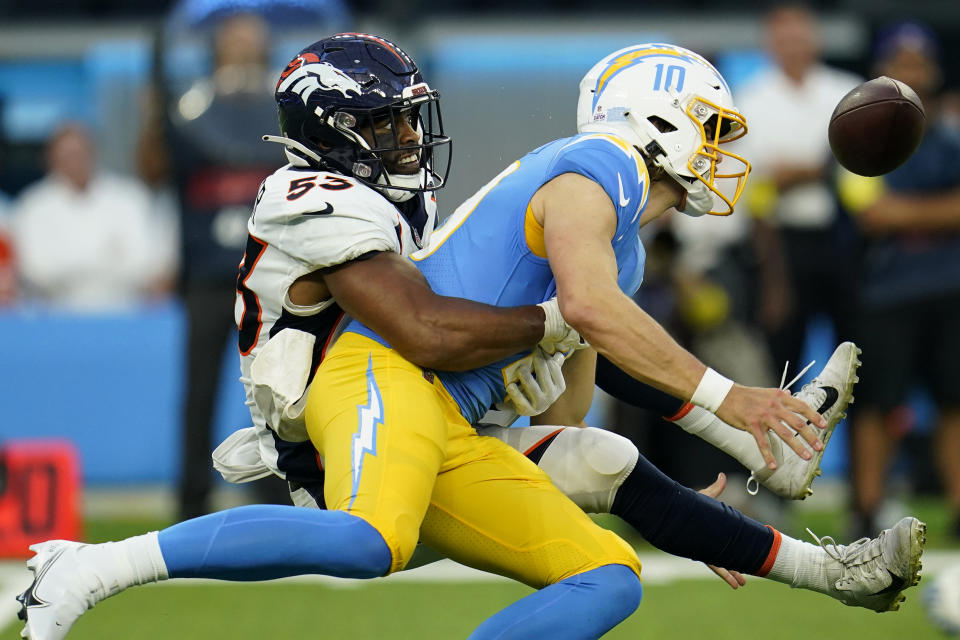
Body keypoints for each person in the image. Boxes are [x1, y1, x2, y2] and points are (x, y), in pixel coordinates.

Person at [18, 38, 924, 640]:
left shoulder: (626, 250)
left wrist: (709, 470)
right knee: (370, 540)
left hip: (454, 418)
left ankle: (819, 566)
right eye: (714, 128)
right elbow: (561, 317)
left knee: (609, 573)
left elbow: (576, 382)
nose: (725, 151)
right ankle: (91, 566)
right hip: (382, 372)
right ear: (658, 116)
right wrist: (735, 405)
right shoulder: (597, 167)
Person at [843, 22, 960, 539]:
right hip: (886, 289)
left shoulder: (949, 137)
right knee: (877, 404)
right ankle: (866, 510)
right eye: (901, 61)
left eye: (919, 62)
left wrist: (906, 213)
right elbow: (872, 213)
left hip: (949, 287)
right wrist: (941, 212)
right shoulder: (855, 132)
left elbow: (891, 210)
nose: (912, 71)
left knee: (954, 400)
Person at [734, 3, 861, 378]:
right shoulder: (749, 101)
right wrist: (821, 168)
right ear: (769, 44)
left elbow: (859, 171)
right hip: (781, 243)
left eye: (800, 37)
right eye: (783, 38)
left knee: (855, 358)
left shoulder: (845, 91)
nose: (793, 46)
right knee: (784, 361)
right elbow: (754, 185)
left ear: (815, 40)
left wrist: (793, 173)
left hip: (843, 235)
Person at [9, 124, 170, 310]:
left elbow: (146, 263)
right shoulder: (33, 206)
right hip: (54, 317)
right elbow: (35, 269)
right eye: (67, 155)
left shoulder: (130, 198)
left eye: (80, 153)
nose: (75, 161)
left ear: (93, 152)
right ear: (51, 158)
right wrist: (107, 258)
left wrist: (73, 264)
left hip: (124, 314)